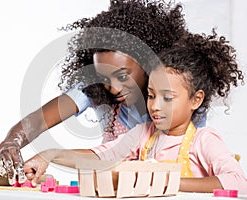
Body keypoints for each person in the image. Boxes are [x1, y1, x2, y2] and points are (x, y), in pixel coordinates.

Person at [0, 0, 200, 184]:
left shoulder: (181, 100)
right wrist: (11, 142)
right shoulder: (96, 90)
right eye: (104, 77)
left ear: (148, 63)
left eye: (122, 75)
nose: (113, 88)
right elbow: (38, 121)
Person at [23, 31, 247, 194]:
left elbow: (239, 181)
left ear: (196, 100)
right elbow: (100, 156)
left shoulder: (204, 140)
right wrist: (50, 154)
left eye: (167, 98)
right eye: (151, 96)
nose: (156, 106)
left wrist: (166, 181)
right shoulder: (144, 134)